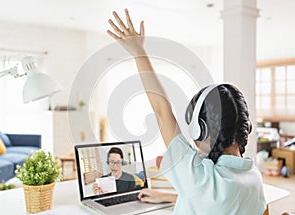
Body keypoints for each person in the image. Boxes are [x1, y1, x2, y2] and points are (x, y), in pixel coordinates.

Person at [106, 9, 267, 215]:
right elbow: (214, 202)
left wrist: (139, 52)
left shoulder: (200, 179)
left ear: (200, 130)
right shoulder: (254, 178)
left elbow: (162, 111)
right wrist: (167, 196)